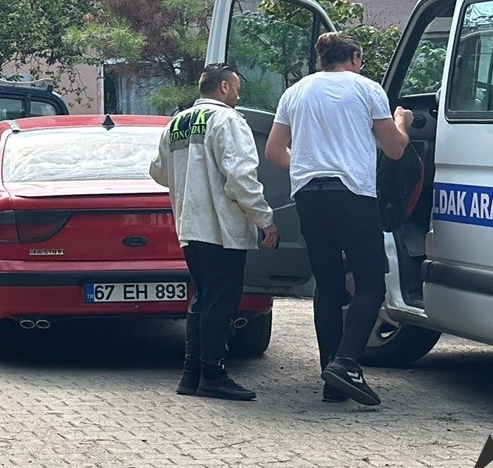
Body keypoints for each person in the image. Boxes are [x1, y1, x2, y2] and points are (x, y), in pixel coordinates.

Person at [265, 32, 414, 406]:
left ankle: (332, 381)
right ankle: (346, 363)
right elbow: (394, 150)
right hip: (353, 194)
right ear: (354, 58)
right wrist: (402, 121)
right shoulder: (367, 89)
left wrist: (302, 170)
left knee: (328, 285)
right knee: (370, 285)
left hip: (309, 196)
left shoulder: (295, 93)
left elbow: (273, 150)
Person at [149, 64, 279, 402]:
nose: (238, 94)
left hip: (190, 226)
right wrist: (265, 219)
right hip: (222, 227)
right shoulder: (228, 121)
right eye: (236, 87)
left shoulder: (176, 123)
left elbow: (158, 172)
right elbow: (240, 178)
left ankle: (192, 374)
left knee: (203, 300)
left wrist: (191, 176)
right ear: (223, 87)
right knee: (221, 303)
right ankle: (213, 375)